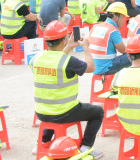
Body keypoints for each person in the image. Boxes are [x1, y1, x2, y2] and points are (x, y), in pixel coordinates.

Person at [30, 21, 104, 159]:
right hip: (64, 112)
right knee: (98, 112)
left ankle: (42, 142)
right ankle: (85, 147)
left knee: (52, 109)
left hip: (41, 112)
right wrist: (86, 48)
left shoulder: (36, 59)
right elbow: (91, 67)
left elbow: (55, 60)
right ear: (64, 39)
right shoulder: (69, 61)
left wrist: (69, 46)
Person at [89, 2, 130, 75]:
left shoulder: (95, 26)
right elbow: (123, 50)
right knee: (134, 56)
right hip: (106, 68)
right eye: (123, 17)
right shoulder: (113, 30)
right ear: (117, 16)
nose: (124, 20)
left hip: (94, 67)